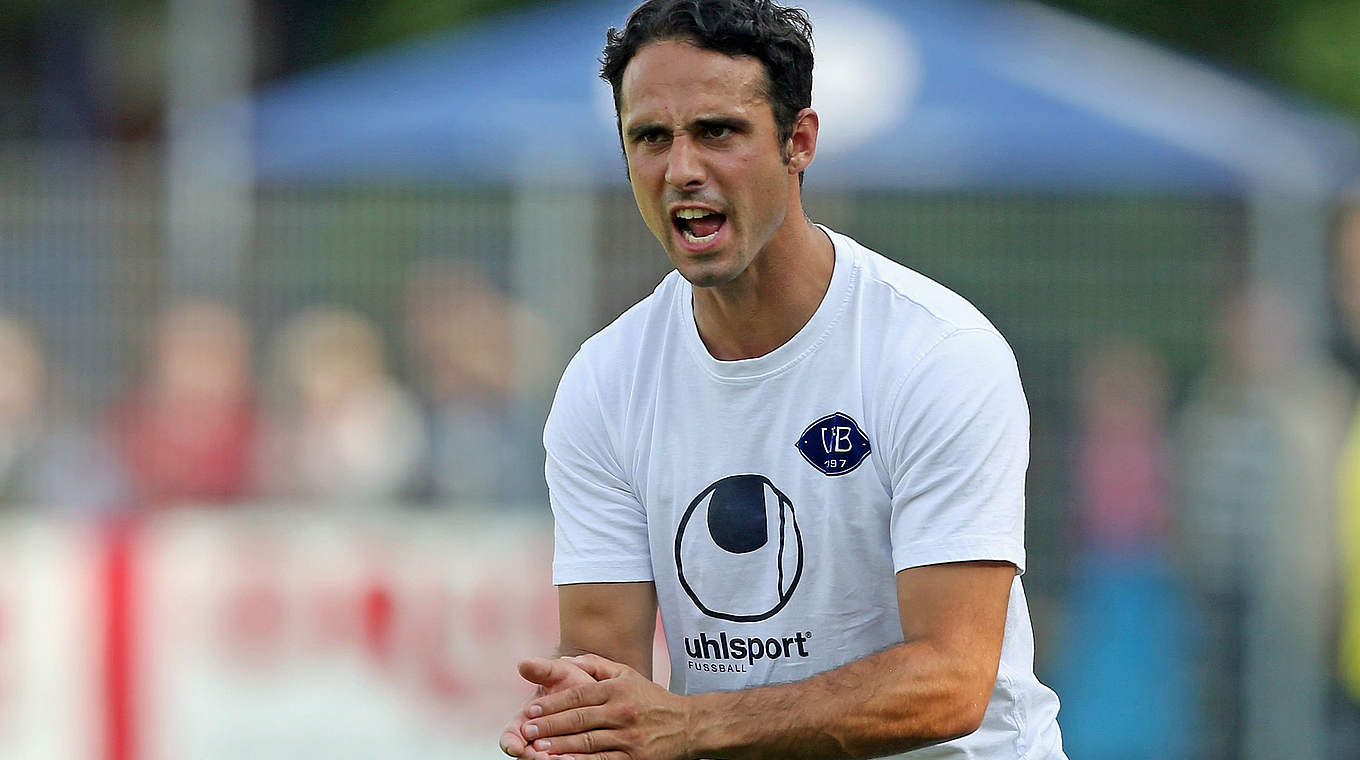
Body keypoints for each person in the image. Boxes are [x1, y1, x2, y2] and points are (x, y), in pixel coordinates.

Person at [500, 0, 1065, 757]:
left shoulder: (937, 353)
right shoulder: (606, 381)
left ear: (798, 141)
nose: (682, 170)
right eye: (650, 139)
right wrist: (576, 731)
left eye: (717, 132)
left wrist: (691, 726)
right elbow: (607, 678)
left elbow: (950, 681)